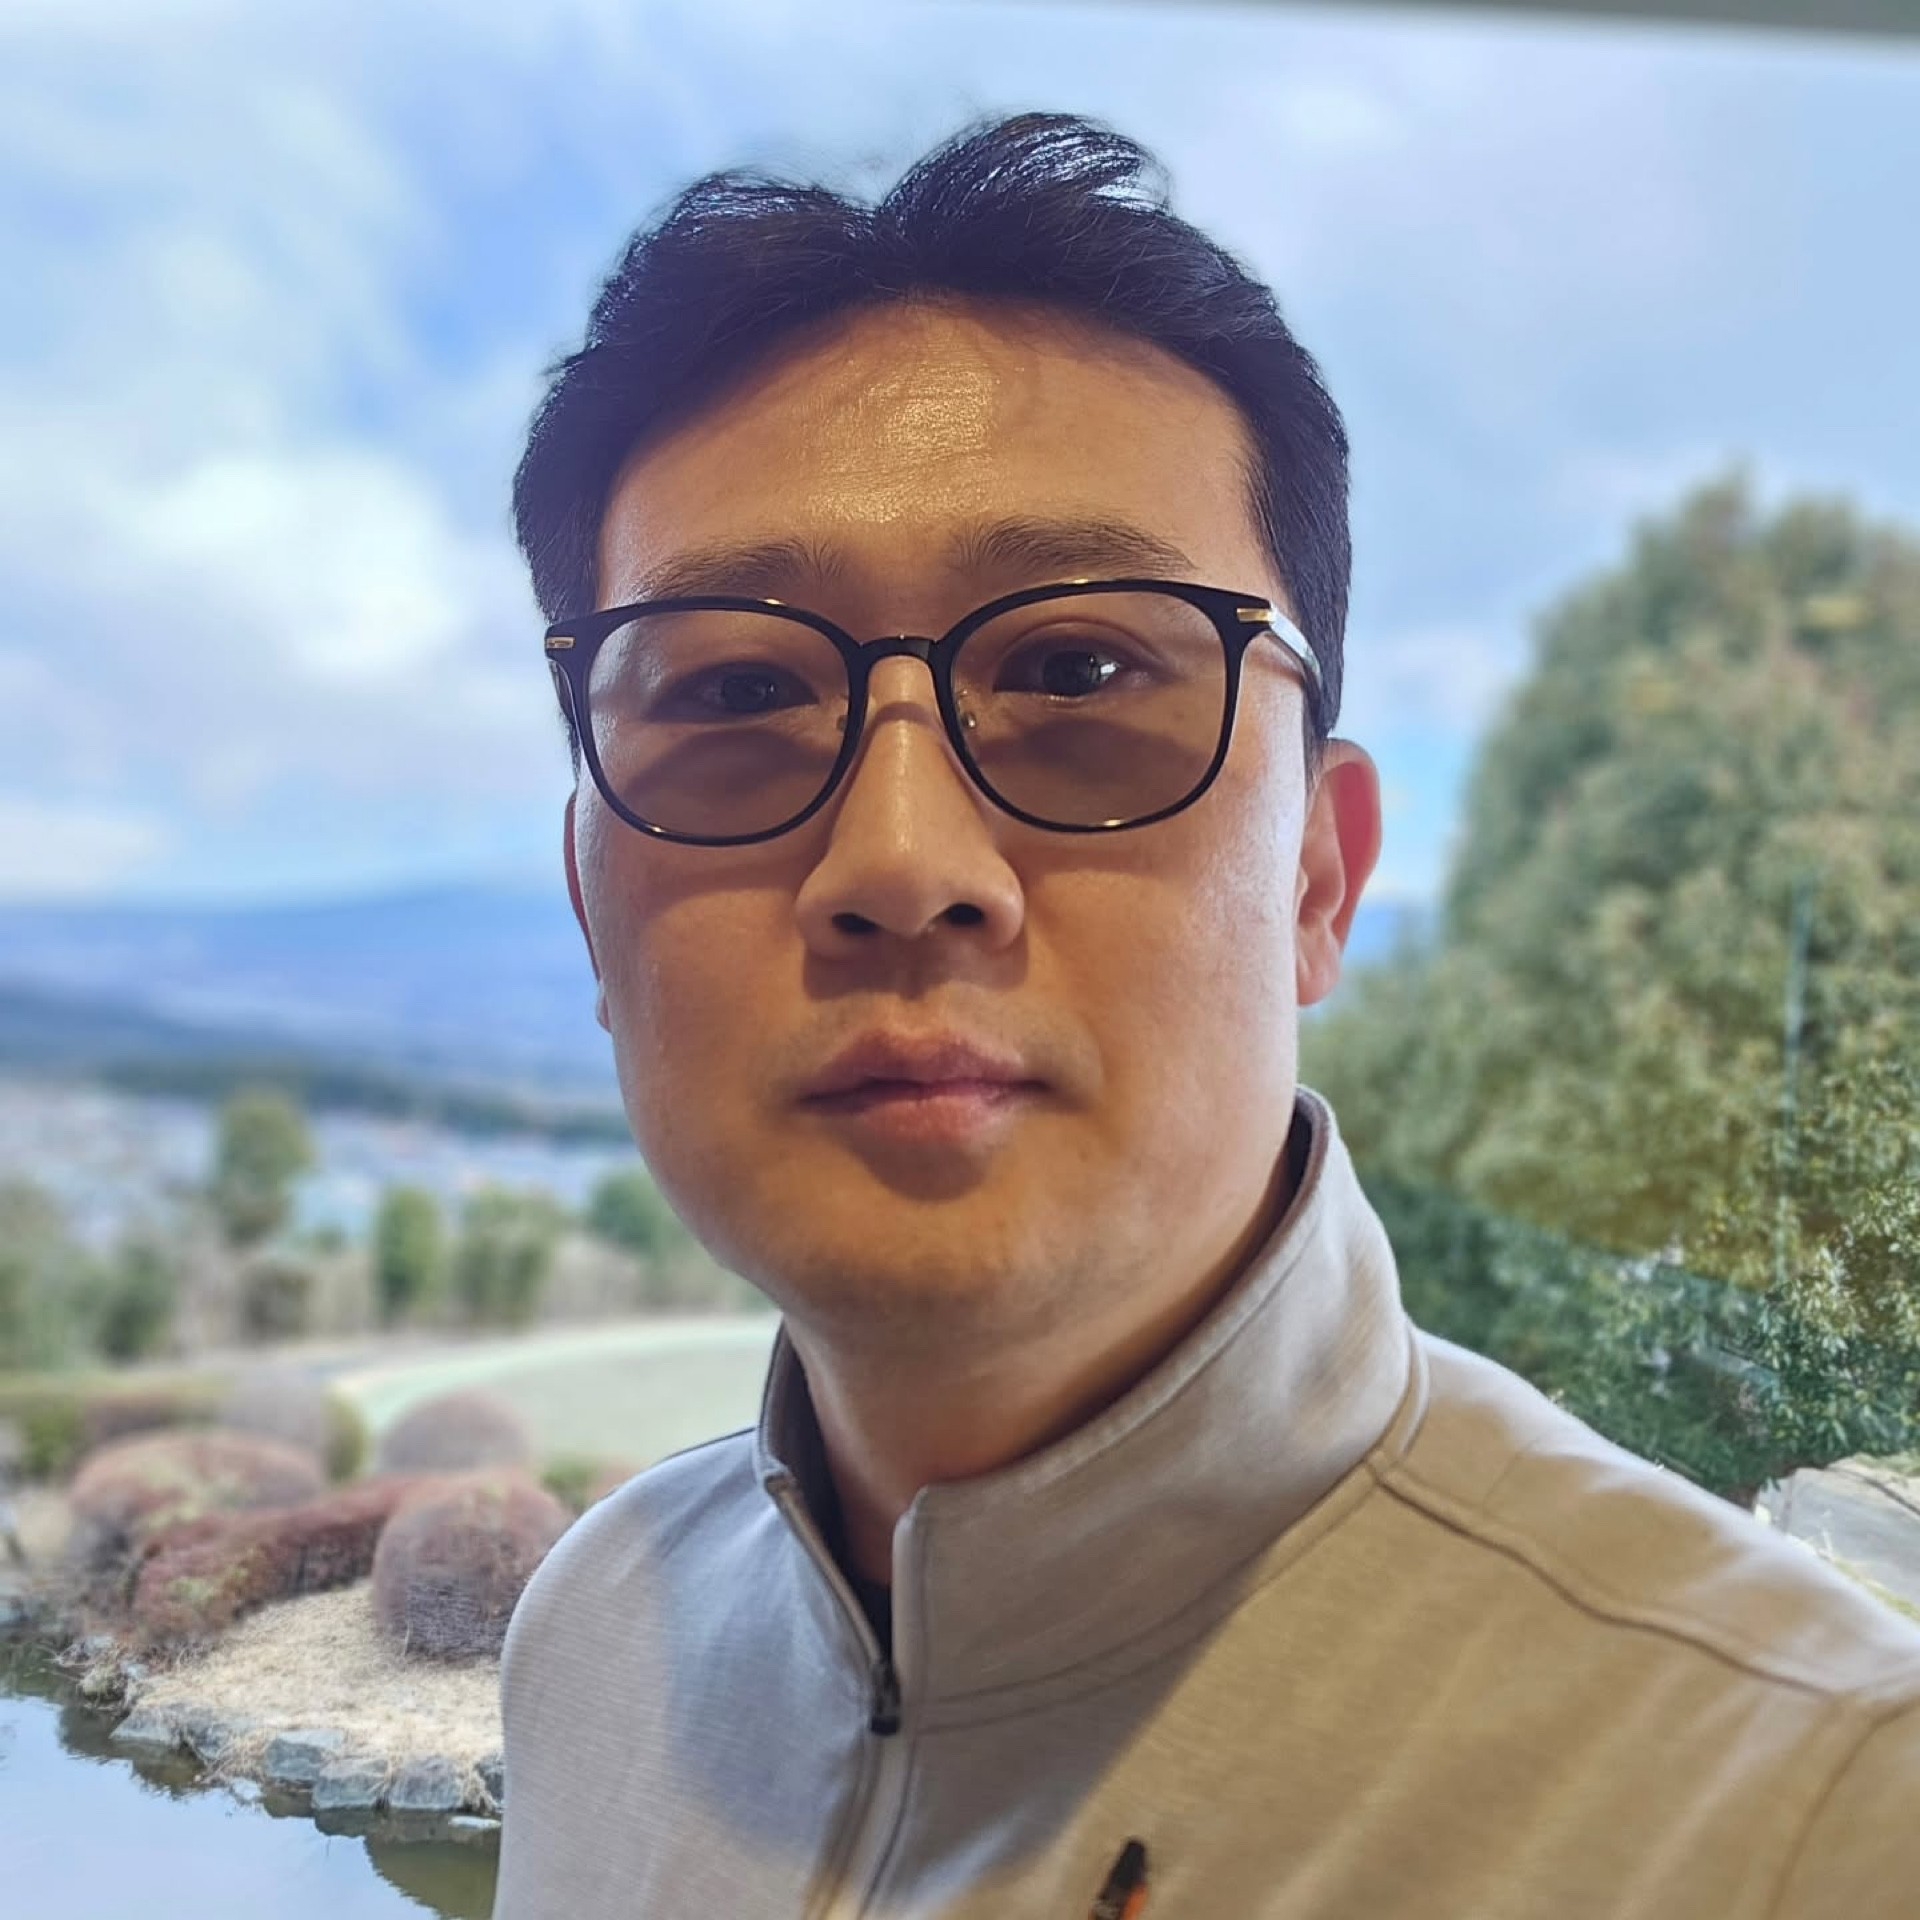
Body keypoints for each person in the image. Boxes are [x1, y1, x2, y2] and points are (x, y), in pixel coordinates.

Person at [492, 113, 1920, 1918]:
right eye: (733, 693)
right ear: (592, 907)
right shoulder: (598, 1642)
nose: (904, 861)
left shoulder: (1812, 1811)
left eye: (1080, 667)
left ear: (1321, 873)